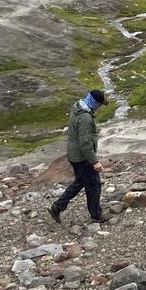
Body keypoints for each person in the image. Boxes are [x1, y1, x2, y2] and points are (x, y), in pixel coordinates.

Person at [49, 89, 110, 225]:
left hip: (75, 155)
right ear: (94, 103)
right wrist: (94, 161)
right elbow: (85, 143)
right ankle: (96, 215)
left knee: (80, 182)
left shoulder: (78, 106)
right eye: (99, 104)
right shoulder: (85, 118)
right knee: (94, 185)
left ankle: (58, 207)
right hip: (83, 158)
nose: (100, 107)